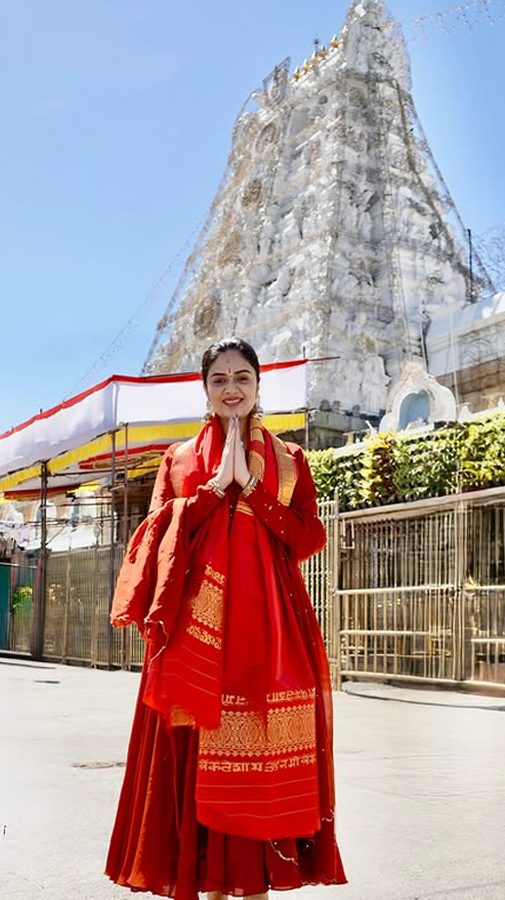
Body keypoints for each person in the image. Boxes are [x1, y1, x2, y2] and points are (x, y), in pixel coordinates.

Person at [105, 338, 345, 900]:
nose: (231, 388)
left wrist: (255, 491)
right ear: (205, 389)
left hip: (272, 624)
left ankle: (254, 882)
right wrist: (215, 490)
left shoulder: (290, 460)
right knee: (194, 744)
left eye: (242, 377)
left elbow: (310, 535)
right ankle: (204, 879)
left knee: (261, 741)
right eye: (219, 379)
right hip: (194, 629)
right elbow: (153, 535)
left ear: (258, 385)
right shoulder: (178, 459)